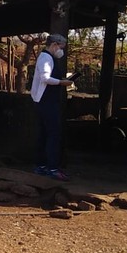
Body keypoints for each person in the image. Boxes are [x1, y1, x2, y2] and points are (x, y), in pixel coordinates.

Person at [31, 34, 74, 181]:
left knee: (44, 133)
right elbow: (45, 78)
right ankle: (52, 168)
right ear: (55, 44)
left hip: (45, 100)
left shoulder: (47, 57)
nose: (61, 50)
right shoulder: (46, 58)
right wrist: (62, 83)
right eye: (61, 47)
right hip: (46, 101)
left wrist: (61, 80)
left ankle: (41, 166)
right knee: (53, 134)